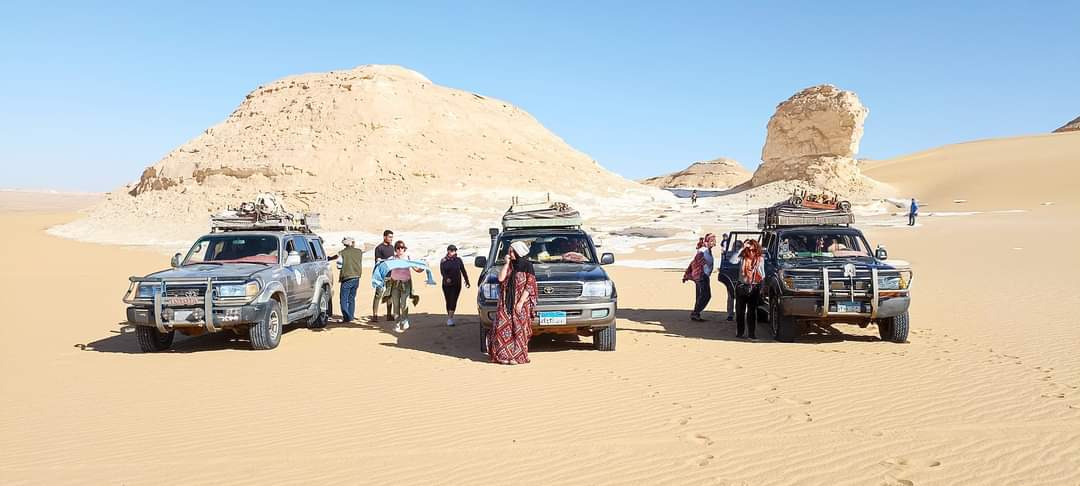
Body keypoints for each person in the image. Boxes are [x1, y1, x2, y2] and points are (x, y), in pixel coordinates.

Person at [488, 240, 538, 365]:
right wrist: (506, 263)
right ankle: (503, 356)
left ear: (518, 252)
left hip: (521, 302)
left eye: (512, 251)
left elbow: (530, 286)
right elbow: (501, 278)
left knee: (519, 330)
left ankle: (517, 357)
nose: (509, 253)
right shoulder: (509, 265)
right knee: (503, 328)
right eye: (509, 251)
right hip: (506, 301)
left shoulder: (527, 265)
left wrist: (520, 302)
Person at [385, 240, 425, 333]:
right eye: (398, 248)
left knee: (404, 304)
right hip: (395, 284)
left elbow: (416, 269)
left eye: (402, 247)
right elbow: (384, 268)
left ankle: (405, 321)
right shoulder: (392, 259)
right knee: (396, 304)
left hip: (406, 284)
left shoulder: (408, 258)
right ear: (395, 249)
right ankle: (397, 323)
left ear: (404, 249)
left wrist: (424, 267)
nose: (400, 249)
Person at [734, 239, 765, 340]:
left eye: (753, 250)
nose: (751, 252)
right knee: (740, 312)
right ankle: (740, 333)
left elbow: (762, 275)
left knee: (752, 312)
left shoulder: (760, 259)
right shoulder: (742, 258)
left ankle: (751, 334)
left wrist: (762, 287)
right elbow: (732, 260)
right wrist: (742, 248)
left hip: (754, 287)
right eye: (749, 250)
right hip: (741, 286)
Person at [682, 233, 716, 322]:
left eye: (714, 241)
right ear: (708, 241)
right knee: (706, 295)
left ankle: (696, 314)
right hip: (701, 276)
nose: (714, 242)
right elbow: (696, 262)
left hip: (704, 276)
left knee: (701, 296)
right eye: (712, 241)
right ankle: (695, 313)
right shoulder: (703, 250)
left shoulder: (707, 250)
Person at [328, 237, 363, 323]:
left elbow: (338, 264)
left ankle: (346, 317)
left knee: (343, 299)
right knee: (351, 298)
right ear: (352, 243)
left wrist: (329, 258)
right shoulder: (359, 251)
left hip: (347, 278)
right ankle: (350, 317)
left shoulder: (342, 253)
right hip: (357, 277)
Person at [440, 244, 470, 327]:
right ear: (448, 251)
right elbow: (442, 271)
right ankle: (450, 316)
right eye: (452, 250)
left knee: (453, 300)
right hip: (446, 284)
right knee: (448, 301)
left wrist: (467, 280)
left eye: (455, 250)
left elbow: (463, 270)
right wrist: (446, 278)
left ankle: (450, 318)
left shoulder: (458, 260)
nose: (454, 252)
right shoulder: (443, 260)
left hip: (457, 284)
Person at [372, 230, 395, 321]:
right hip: (381, 275)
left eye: (392, 237)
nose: (391, 239)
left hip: (391, 274)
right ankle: (375, 315)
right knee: (378, 295)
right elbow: (377, 261)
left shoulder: (392, 247)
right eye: (389, 237)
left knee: (389, 295)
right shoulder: (379, 248)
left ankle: (389, 315)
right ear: (384, 237)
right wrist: (387, 260)